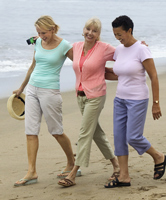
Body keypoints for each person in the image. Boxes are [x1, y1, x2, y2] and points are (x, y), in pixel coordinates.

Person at [13, 15, 80, 187]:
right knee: (30, 131)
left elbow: (80, 64)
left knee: (56, 131)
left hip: (50, 92)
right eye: (38, 33)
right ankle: (31, 172)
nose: (41, 36)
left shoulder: (64, 45)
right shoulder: (36, 42)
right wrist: (21, 88)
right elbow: (33, 65)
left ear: (53, 29)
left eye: (44, 32)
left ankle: (72, 164)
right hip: (32, 90)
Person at [104, 15, 165, 188]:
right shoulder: (119, 50)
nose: (118, 38)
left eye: (120, 34)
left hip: (137, 99)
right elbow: (121, 73)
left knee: (133, 136)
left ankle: (158, 156)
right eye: (115, 34)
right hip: (120, 100)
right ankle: (124, 177)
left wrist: (156, 103)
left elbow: (153, 76)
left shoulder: (142, 49)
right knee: (119, 138)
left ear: (129, 30)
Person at [58, 17, 120, 187]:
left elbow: (124, 53)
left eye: (94, 31)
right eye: (88, 29)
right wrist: (37, 39)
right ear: (83, 30)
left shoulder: (104, 48)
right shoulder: (76, 47)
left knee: (84, 132)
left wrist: (139, 47)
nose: (90, 33)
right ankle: (116, 165)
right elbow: (57, 45)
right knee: (95, 132)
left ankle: (73, 173)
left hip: (96, 95)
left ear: (99, 34)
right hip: (80, 96)